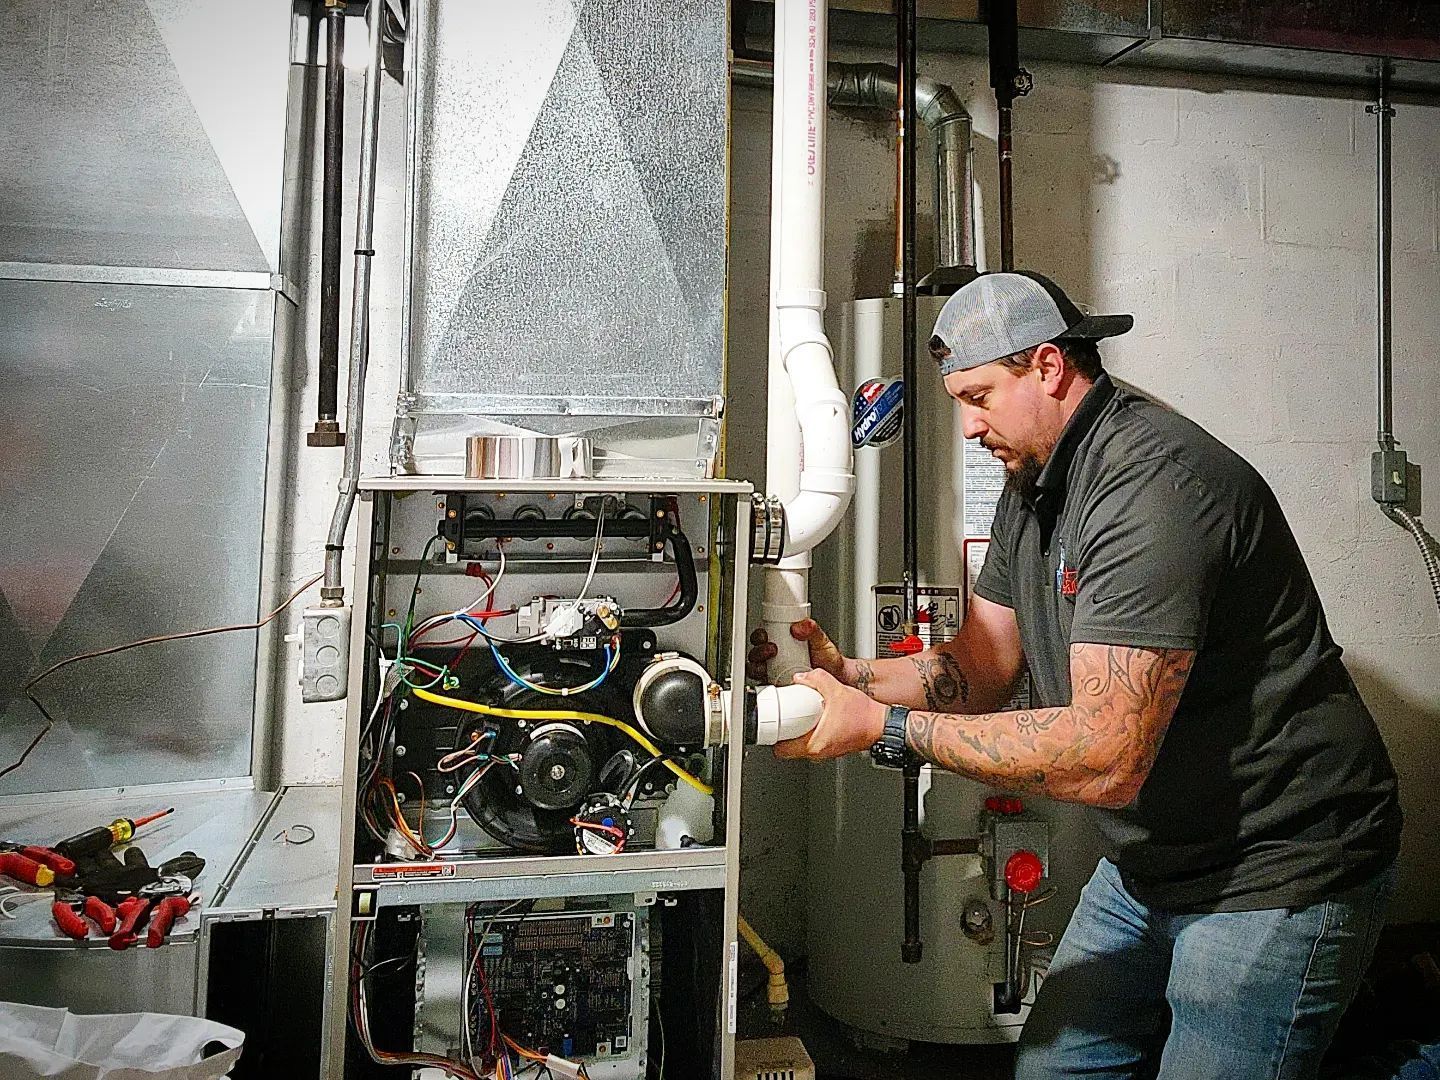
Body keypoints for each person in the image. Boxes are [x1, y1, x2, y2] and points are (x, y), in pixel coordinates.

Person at [751, 271, 1403, 1080]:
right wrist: (851, 675)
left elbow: (1104, 754)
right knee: (1059, 1068)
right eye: (958, 400)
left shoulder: (1151, 489)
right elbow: (982, 666)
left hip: (1276, 863)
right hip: (1155, 857)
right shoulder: (1032, 482)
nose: (967, 425)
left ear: (1049, 368)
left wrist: (884, 731)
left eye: (981, 396)